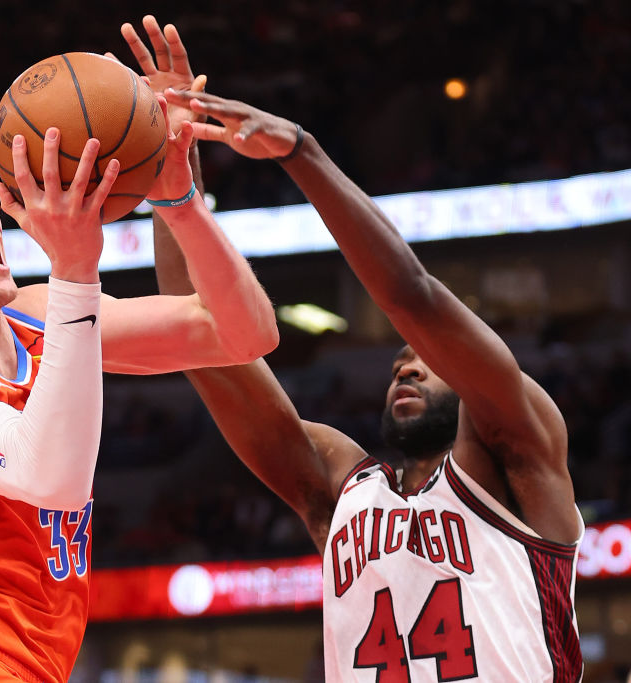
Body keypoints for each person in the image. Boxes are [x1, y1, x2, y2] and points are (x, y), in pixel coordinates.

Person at [0, 38, 279, 683]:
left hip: (36, 665)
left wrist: (175, 194)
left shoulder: (41, 317)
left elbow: (242, 334)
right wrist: (75, 268)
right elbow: (47, 475)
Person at [135, 26, 582, 680]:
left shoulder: (520, 453)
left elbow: (411, 294)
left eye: (425, 358)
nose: (405, 364)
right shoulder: (341, 488)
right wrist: (171, 184)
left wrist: (301, 151)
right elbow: (197, 338)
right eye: (399, 359)